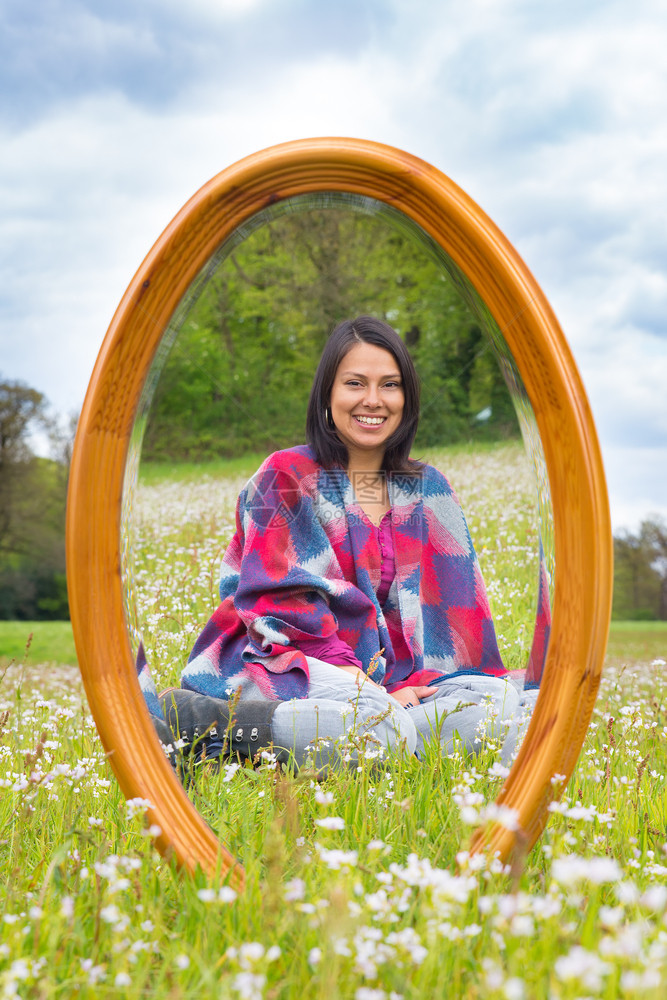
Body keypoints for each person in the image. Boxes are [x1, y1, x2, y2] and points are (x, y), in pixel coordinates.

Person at [149, 316, 536, 772]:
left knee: (507, 703)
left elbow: (456, 621)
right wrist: (379, 693)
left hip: (394, 684)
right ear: (328, 398)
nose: (373, 400)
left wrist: (410, 690)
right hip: (282, 659)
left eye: (390, 385)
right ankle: (206, 725)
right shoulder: (285, 475)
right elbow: (279, 612)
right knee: (381, 727)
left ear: (407, 399)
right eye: (355, 383)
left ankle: (360, 738)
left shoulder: (429, 489)